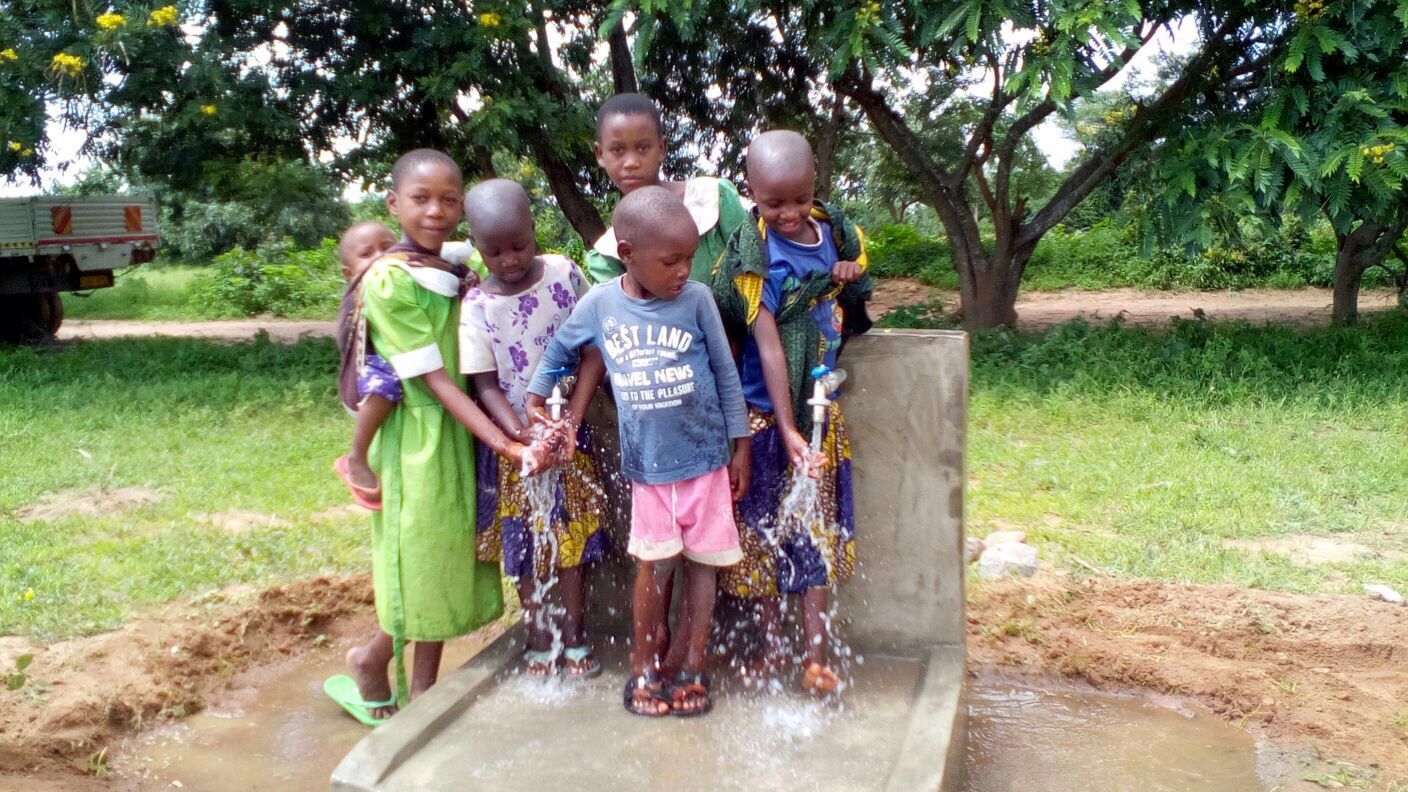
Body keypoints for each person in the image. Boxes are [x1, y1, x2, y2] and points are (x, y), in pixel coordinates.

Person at [324, 149, 548, 727]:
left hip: (458, 430)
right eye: (421, 198)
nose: (436, 211)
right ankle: (390, 674)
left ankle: (410, 681)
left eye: (450, 199)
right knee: (418, 560)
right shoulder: (391, 281)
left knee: (446, 561)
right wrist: (504, 442)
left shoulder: (449, 267)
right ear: (394, 203)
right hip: (420, 433)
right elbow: (436, 380)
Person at [526, 187, 750, 717]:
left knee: (703, 569)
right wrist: (537, 393)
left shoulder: (696, 300)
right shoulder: (602, 305)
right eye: (670, 261)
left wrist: (739, 447)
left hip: (707, 463)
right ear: (627, 253)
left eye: (689, 259)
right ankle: (644, 665)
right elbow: (562, 348)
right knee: (655, 567)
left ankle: (694, 664)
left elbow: (725, 375)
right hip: (649, 471)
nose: (682, 271)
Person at [712, 130, 874, 696]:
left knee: (814, 534)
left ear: (814, 188)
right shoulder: (754, 255)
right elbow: (769, 345)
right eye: (773, 202)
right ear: (751, 191)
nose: (788, 213)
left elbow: (856, 300)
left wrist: (850, 277)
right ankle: (770, 648)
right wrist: (783, 428)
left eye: (799, 199)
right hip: (764, 416)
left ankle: (815, 656)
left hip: (820, 414)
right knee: (760, 538)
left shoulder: (835, 232)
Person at [458, 178, 608, 678]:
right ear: (478, 247)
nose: (509, 260)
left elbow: (594, 349)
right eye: (494, 252)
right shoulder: (477, 307)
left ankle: (577, 637)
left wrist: (575, 417)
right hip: (516, 448)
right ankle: (540, 638)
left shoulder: (565, 276)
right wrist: (519, 435)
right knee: (526, 548)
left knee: (572, 544)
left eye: (519, 245)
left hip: (570, 439)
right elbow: (485, 385)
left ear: (534, 228)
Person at [585, 92, 749, 285]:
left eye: (643, 148)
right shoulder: (608, 253)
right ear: (600, 154)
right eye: (617, 150)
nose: (630, 162)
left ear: (662, 148)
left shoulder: (711, 198)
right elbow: (622, 311)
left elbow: (753, 262)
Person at [333, 221, 400, 509]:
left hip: (378, 366)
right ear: (349, 274)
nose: (380, 257)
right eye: (367, 253)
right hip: (363, 380)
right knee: (387, 382)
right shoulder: (361, 292)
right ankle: (356, 458)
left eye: (387, 248)